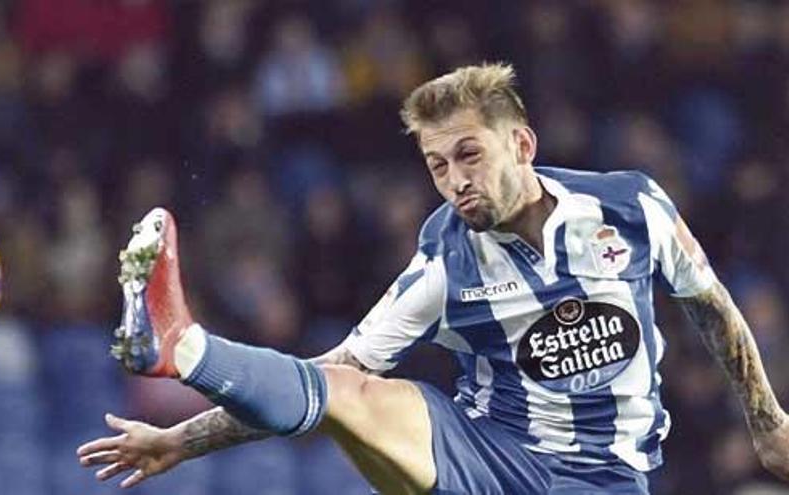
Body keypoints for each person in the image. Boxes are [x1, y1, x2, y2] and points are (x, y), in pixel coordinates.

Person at [77, 63, 789, 494]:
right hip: (489, 460)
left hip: (608, 478)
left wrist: (768, 424)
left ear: (522, 144)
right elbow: (328, 375)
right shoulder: (445, 257)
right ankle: (186, 345)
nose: (455, 182)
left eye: (469, 155)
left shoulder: (631, 206)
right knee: (353, 390)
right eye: (438, 165)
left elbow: (711, 305)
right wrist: (181, 438)